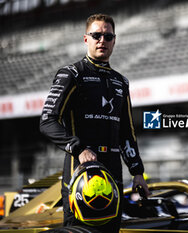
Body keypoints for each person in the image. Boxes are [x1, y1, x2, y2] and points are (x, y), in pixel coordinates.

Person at [39, 13, 150, 232]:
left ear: (114, 40)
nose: (102, 40)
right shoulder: (72, 74)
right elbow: (47, 121)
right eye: (96, 35)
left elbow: (127, 132)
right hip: (81, 173)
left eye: (108, 36)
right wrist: (78, 148)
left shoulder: (121, 81)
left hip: (113, 174)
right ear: (85, 39)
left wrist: (137, 171)